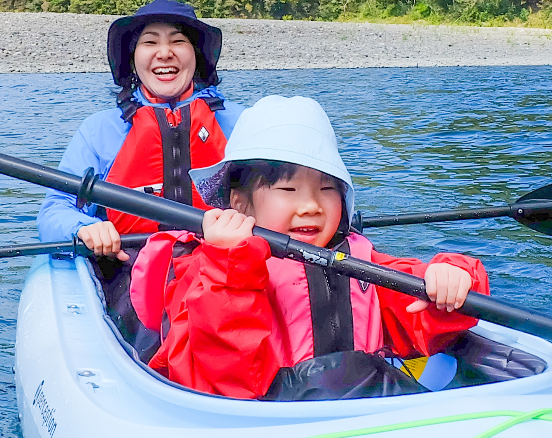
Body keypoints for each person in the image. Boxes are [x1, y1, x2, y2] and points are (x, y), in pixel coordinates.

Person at [128, 95, 490, 399]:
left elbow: (422, 320)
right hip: (267, 428)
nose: (311, 205)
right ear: (240, 204)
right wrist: (229, 268)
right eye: (288, 190)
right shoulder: (209, 272)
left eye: (326, 188)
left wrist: (453, 278)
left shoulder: (360, 260)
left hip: (364, 418)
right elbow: (227, 382)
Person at [37, 0, 245, 259]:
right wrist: (83, 227)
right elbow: (55, 211)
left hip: (227, 265)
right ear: (133, 58)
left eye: (178, 41)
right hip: (131, 267)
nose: (165, 53)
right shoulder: (99, 130)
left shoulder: (242, 123)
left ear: (196, 55)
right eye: (150, 42)